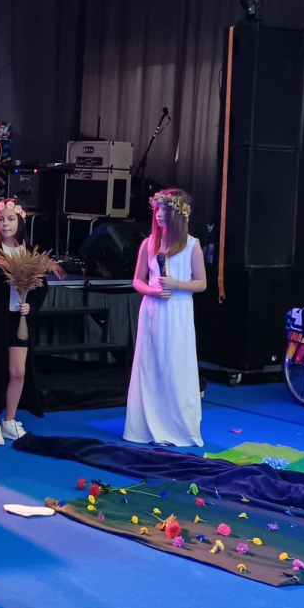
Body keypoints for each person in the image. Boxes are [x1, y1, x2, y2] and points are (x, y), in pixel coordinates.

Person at [123, 188, 207, 447]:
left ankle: (176, 427)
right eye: (157, 210)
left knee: (175, 366)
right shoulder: (149, 244)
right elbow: (137, 280)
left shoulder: (192, 246)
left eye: (164, 210)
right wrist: (153, 291)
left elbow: (201, 283)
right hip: (153, 310)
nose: (158, 215)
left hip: (178, 313)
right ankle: (146, 425)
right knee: (151, 365)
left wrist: (176, 284)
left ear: (177, 215)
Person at [0, 198, 50, 445]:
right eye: (1, 220)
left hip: (19, 321)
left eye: (10, 219)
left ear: (20, 221)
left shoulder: (29, 253)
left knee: (18, 372)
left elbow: (41, 288)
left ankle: (10, 420)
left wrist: (31, 306)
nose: (5, 224)